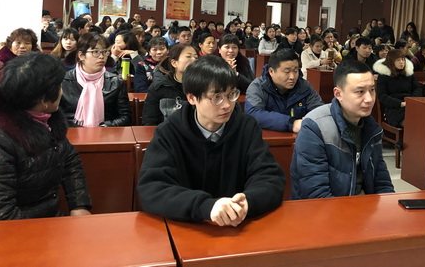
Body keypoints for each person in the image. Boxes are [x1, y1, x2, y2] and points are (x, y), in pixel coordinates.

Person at [137, 56, 285, 225]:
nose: (227, 105)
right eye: (216, 97)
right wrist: (206, 206)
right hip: (186, 228)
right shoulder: (169, 133)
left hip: (239, 227)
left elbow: (270, 177)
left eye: (231, 94)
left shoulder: (246, 128)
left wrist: (248, 202)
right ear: (192, 98)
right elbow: (152, 189)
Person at [0, 52, 92, 220]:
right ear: (43, 101)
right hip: (19, 228)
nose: (61, 92)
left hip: (50, 220)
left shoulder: (48, 120)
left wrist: (79, 205)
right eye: (59, 87)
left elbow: (70, 160)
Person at [290, 60, 394, 199]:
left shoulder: (372, 128)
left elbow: (382, 181)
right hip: (327, 208)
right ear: (338, 94)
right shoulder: (315, 127)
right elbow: (316, 194)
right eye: (360, 92)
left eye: (372, 90)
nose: (369, 99)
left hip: (363, 206)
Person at [59, 33, 131, 127]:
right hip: (71, 133)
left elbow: (125, 116)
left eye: (104, 52)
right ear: (81, 55)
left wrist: (106, 126)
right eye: (95, 52)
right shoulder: (63, 81)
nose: (101, 56)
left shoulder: (115, 81)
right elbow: (55, 115)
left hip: (105, 133)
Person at [245, 48, 323, 132]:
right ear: (271, 71)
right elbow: (254, 113)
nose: (292, 77)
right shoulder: (258, 87)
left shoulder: (304, 86)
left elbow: (320, 112)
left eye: (295, 71)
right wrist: (292, 123)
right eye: (287, 72)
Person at [142, 43, 199, 125]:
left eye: (196, 58)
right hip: (164, 131)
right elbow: (149, 120)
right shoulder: (160, 86)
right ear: (174, 63)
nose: (194, 60)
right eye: (188, 56)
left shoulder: (202, 86)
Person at [374, 49, 423, 127]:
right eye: (398, 60)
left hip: (411, 104)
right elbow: (382, 96)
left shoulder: (408, 73)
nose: (401, 62)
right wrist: (400, 103)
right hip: (394, 108)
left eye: (403, 59)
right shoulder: (384, 76)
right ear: (391, 61)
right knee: (412, 123)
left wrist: (412, 100)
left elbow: (417, 88)